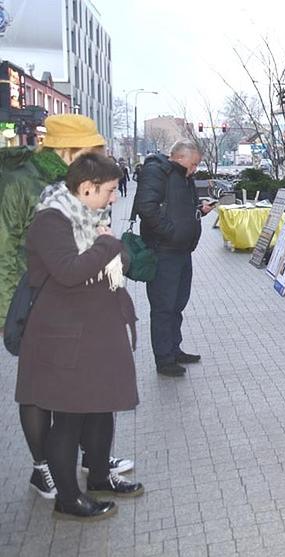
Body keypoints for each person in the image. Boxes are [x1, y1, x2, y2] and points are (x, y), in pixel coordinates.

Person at [0, 114, 133, 501]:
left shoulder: (83, 182)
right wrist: (14, 315)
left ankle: (90, 462)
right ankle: (44, 467)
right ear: (67, 150)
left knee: (77, 391)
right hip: (36, 297)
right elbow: (7, 249)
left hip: (76, 301)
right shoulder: (25, 183)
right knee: (39, 391)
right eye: (91, 149)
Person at [17, 153, 144, 521]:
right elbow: (70, 271)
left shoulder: (90, 216)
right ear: (86, 188)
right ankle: (68, 498)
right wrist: (108, 246)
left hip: (96, 331)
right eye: (108, 190)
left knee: (101, 407)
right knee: (69, 419)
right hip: (64, 338)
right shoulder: (51, 221)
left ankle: (100, 477)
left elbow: (114, 262)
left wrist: (113, 248)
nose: (114, 197)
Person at [136, 139, 213, 377]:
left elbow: (179, 209)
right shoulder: (156, 171)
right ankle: (164, 358)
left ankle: (174, 349)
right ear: (181, 157)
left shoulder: (184, 177)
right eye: (194, 163)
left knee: (177, 304)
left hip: (181, 251)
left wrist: (199, 211)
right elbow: (146, 208)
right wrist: (171, 232)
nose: (195, 168)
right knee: (163, 307)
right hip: (164, 252)